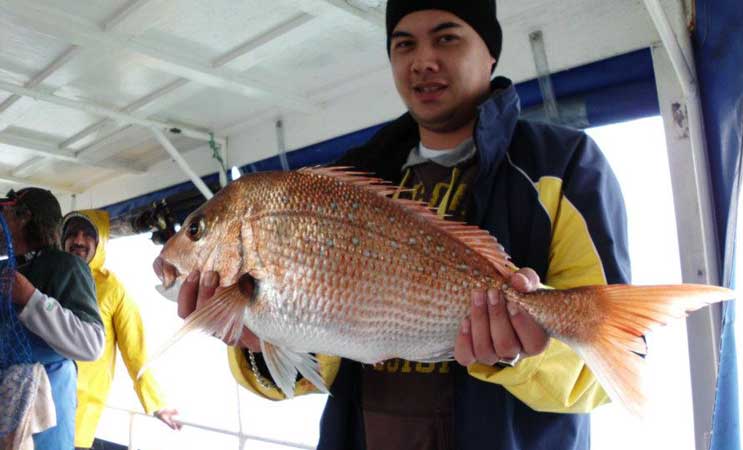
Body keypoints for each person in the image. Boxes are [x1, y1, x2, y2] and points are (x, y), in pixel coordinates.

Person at [163, 1, 631, 449]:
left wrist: (524, 352)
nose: (423, 60)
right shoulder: (353, 175)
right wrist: (257, 338)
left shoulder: (563, 166)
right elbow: (318, 365)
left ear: (490, 51)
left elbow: (601, 378)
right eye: (404, 45)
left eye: (446, 38)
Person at [61, 210, 182, 450]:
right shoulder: (50, 275)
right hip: (39, 399)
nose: (79, 241)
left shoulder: (113, 288)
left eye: (88, 235)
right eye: (72, 233)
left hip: (80, 411)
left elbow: (135, 349)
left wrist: (156, 403)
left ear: (100, 243)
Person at [1, 187, 104, 450]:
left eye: (7, 215)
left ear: (25, 218)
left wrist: (30, 299)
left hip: (45, 416)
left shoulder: (66, 266)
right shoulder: (8, 268)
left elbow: (91, 343)